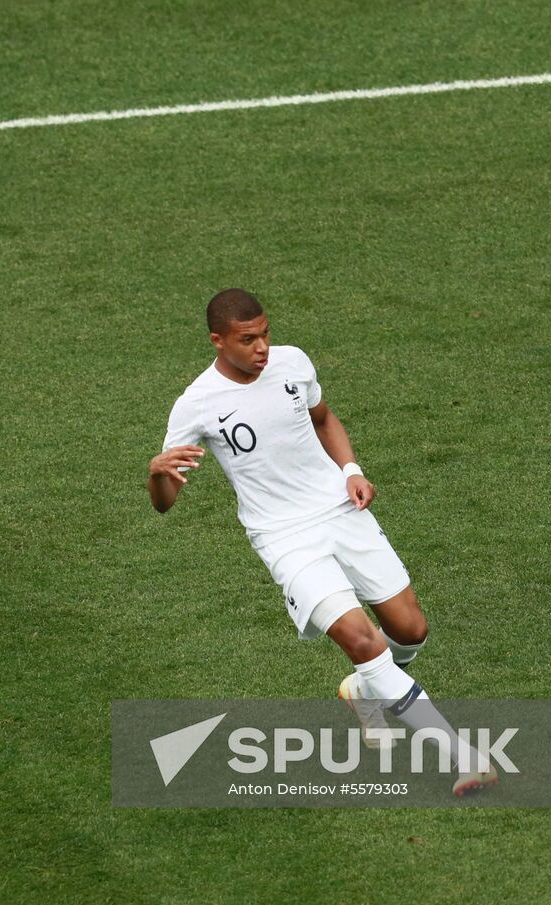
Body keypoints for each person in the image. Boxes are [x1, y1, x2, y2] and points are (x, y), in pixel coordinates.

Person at [148, 289, 495, 795]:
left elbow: (323, 418)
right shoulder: (196, 404)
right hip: (284, 537)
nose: (262, 347)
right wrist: (157, 474)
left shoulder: (293, 362)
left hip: (340, 510)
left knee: (410, 631)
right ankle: (462, 755)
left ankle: (363, 689)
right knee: (362, 640)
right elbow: (164, 502)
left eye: (265, 334)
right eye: (248, 340)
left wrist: (351, 470)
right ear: (217, 341)